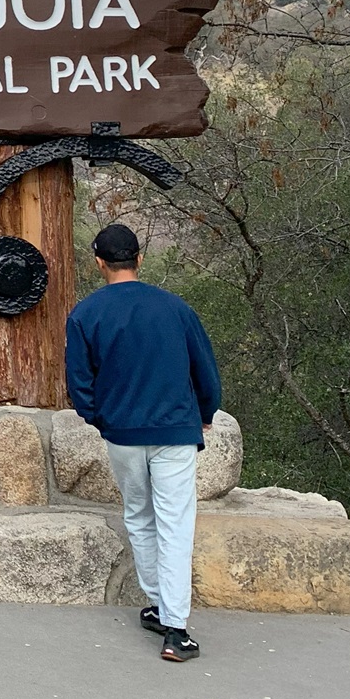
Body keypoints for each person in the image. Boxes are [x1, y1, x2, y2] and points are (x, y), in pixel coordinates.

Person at [64, 222, 222, 664]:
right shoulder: (175, 309)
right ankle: (176, 629)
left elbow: (79, 383)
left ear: (99, 262)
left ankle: (158, 604)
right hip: (174, 430)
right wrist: (205, 413)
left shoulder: (86, 313)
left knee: (139, 515)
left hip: (122, 433)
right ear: (140, 258)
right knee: (175, 523)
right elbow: (204, 372)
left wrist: (102, 419)